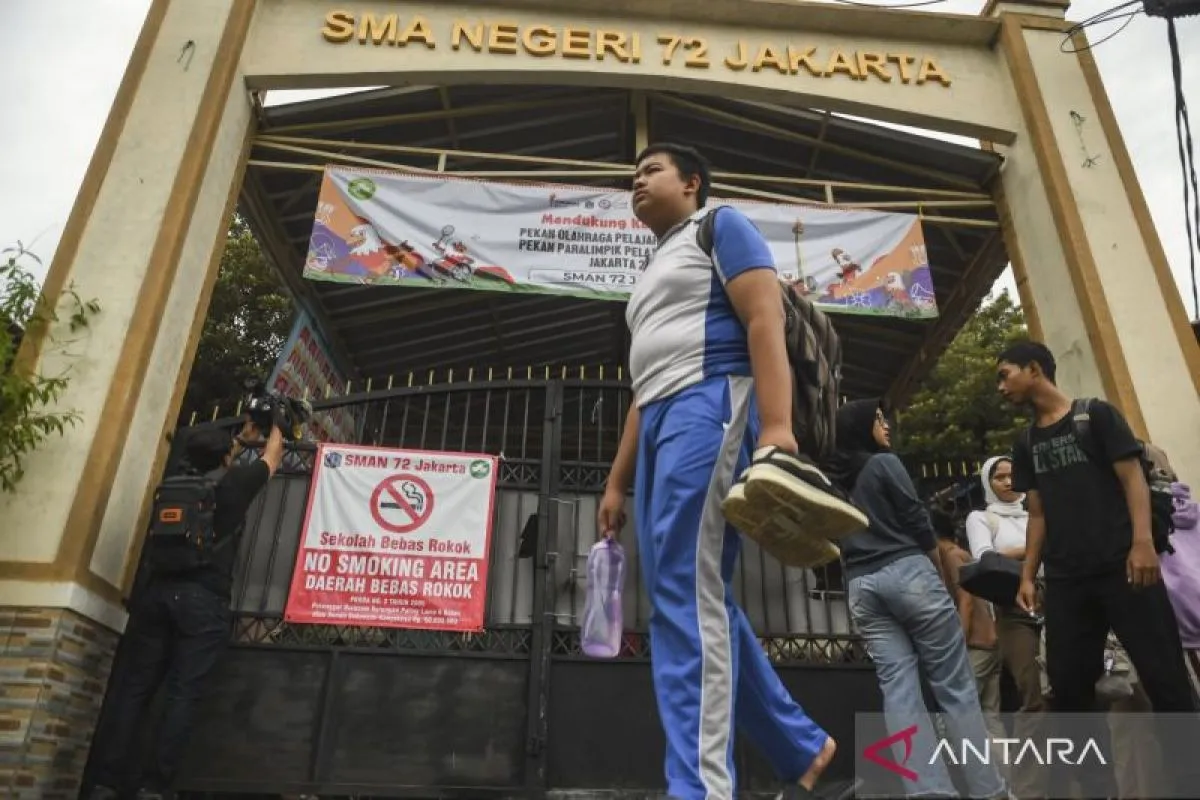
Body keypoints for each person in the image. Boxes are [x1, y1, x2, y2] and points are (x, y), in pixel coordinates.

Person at [595, 143, 851, 800]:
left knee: (686, 591)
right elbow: (643, 386)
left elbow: (764, 319)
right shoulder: (652, 267)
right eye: (632, 176)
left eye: (651, 170)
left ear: (692, 182)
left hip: (712, 401)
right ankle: (799, 744)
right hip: (660, 418)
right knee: (686, 592)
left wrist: (777, 429)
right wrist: (617, 481)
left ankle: (701, 787)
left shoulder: (721, 225)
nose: (636, 181)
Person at [997, 340, 1199, 796]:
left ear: (1034, 369)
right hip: (1068, 581)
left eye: (1005, 374)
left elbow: (1133, 479)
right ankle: (1096, 786)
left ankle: (1191, 782)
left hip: (1126, 568)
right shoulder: (1025, 443)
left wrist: (1142, 544)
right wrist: (1028, 575)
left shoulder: (1096, 416)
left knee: (1165, 679)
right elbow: (1038, 514)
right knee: (1069, 690)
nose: (1001, 387)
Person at [89, 418, 283, 800]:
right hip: (202, 600)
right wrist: (279, 424)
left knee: (135, 690)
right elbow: (273, 458)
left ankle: (106, 782)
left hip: (156, 593)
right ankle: (154, 786)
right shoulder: (233, 485)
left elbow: (210, 457)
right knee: (183, 693)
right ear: (226, 458)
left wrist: (236, 439)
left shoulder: (171, 484)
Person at [829, 398, 1008, 799]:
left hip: (861, 585)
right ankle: (989, 790)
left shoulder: (836, 482)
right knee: (955, 686)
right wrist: (937, 567)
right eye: (878, 419)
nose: (886, 425)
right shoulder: (884, 464)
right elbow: (916, 518)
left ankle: (928, 791)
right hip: (907, 572)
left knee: (899, 691)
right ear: (861, 427)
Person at [963, 456, 1045, 799]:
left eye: (1014, 475)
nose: (1009, 482)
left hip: (1056, 604)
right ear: (988, 482)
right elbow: (986, 558)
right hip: (1014, 610)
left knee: (1068, 692)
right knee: (1034, 696)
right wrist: (1036, 548)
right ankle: (1027, 789)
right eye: (1000, 477)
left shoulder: (1037, 514)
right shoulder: (982, 518)